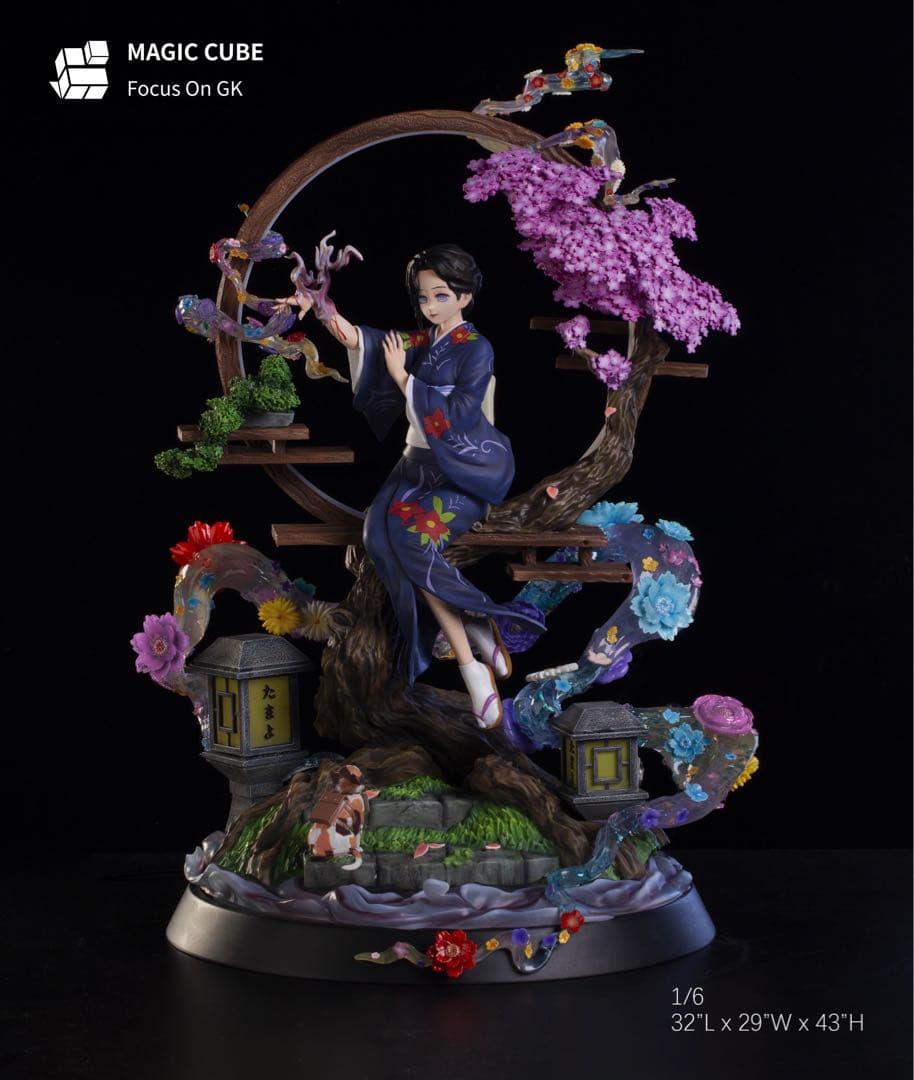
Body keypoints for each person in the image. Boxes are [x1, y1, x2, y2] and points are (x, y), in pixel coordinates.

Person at [310, 243, 545, 729]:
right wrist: (322, 307)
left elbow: (459, 413)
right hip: (413, 467)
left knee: (410, 538)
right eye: (423, 297)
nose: (431, 306)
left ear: (465, 297)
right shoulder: (424, 340)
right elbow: (364, 341)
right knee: (377, 535)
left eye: (441, 296)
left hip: (462, 474)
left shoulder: (476, 348)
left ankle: (470, 665)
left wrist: (404, 381)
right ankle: (475, 622)